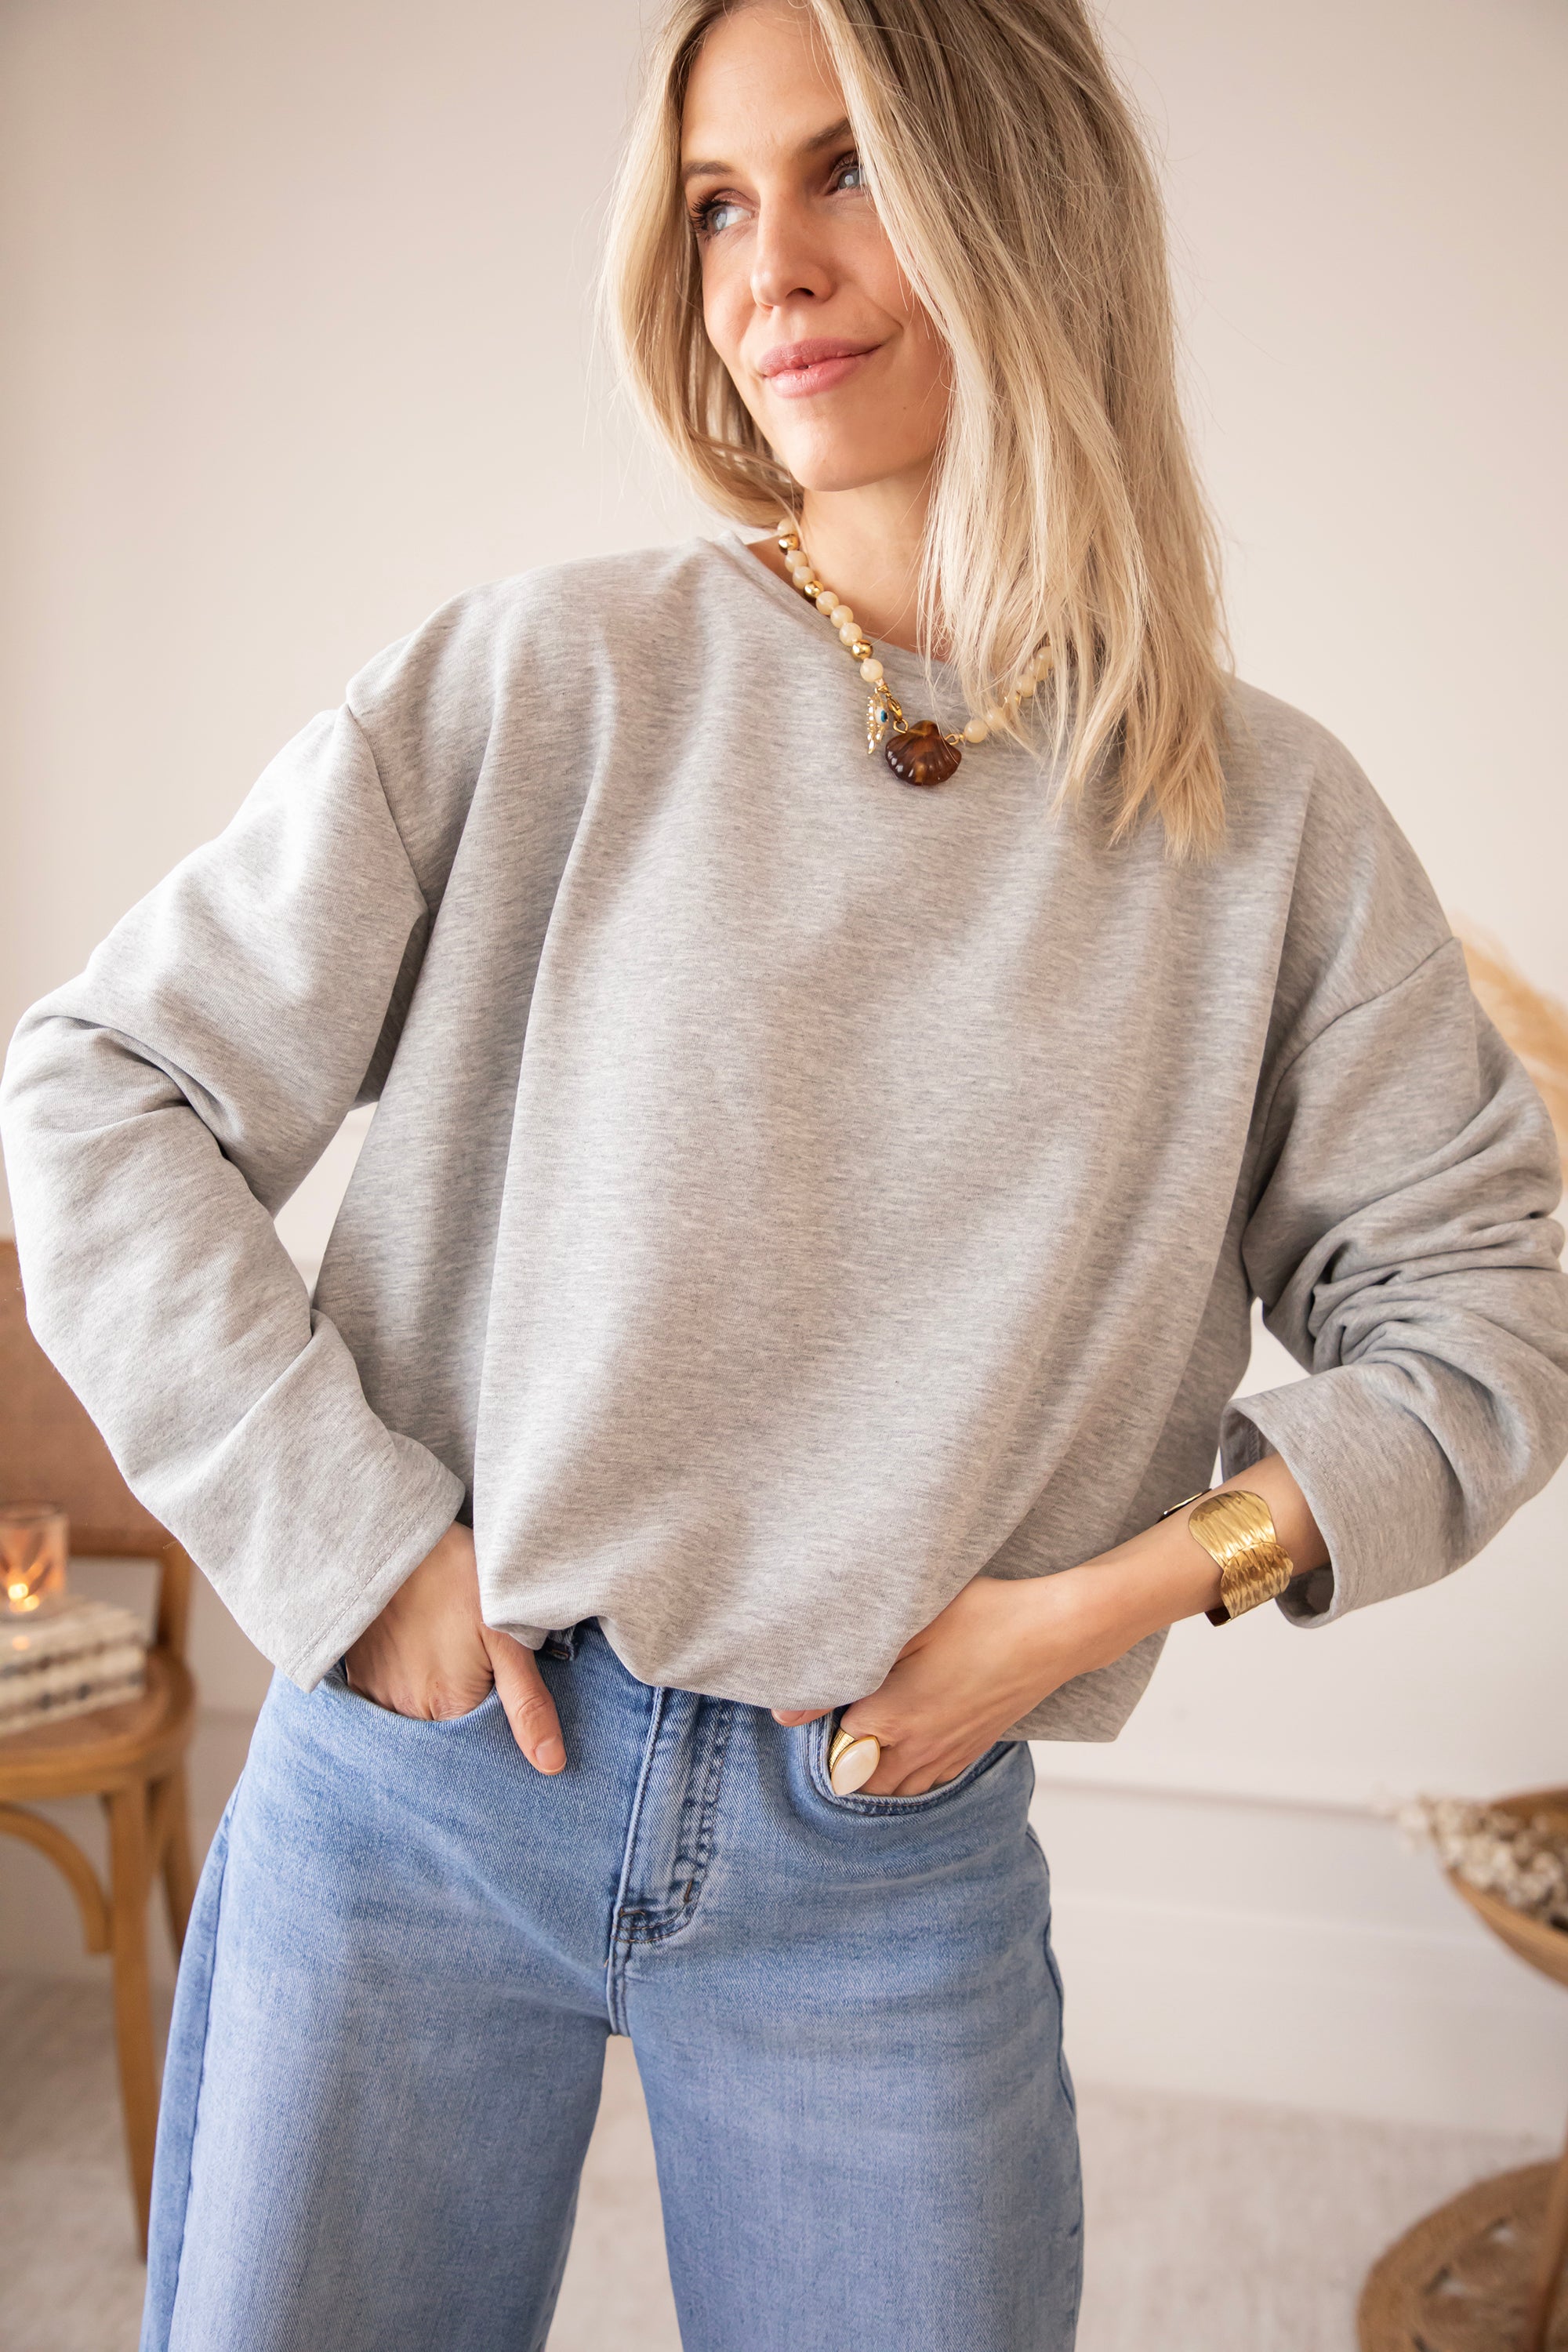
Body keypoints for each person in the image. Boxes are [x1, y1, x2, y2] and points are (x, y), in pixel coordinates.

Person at [4, 1, 1566, 2346]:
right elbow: (100, 1087)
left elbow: (1491, 1317)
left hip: (887, 1861)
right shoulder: (551, 678)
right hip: (428, 1789)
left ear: (1022, 195)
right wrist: (359, 1551)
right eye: (718, 204)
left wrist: (1095, 1606)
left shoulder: (1265, 825)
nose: (768, 272)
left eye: (847, 172)